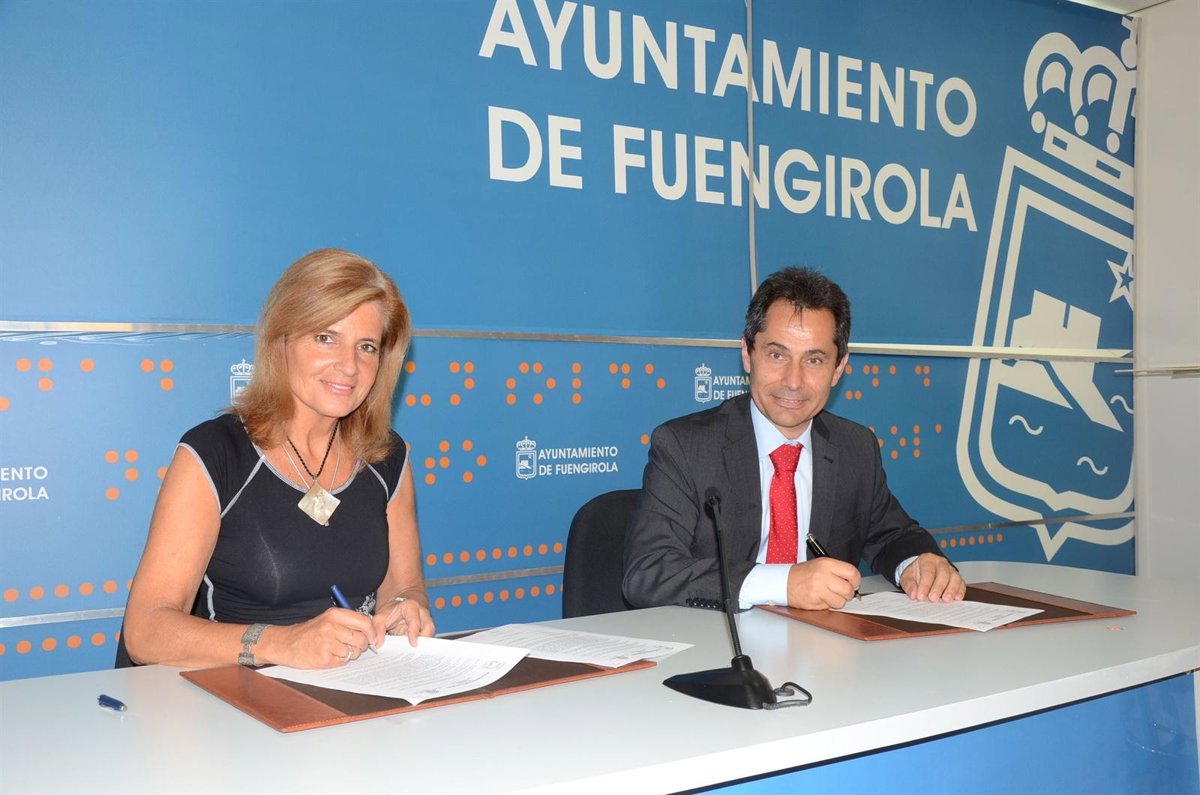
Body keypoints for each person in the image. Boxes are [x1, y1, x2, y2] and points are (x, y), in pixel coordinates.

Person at [122, 248, 435, 669]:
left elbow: (404, 586)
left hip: (352, 689)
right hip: (233, 694)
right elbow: (145, 632)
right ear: (282, 338)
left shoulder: (388, 457)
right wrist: (281, 643)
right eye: (326, 338)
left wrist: (405, 607)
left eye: (366, 347)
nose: (349, 366)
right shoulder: (214, 454)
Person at [623, 267, 965, 611]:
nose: (793, 381)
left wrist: (919, 563)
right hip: (718, 638)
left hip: (823, 640)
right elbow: (649, 572)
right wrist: (784, 584)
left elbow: (893, 535)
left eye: (813, 360)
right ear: (747, 353)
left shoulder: (856, 447)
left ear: (838, 368)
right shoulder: (685, 446)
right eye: (777, 355)